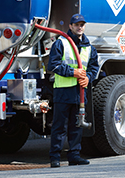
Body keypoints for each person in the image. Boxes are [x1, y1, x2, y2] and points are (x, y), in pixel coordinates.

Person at [47, 14, 99, 168]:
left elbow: (94, 67)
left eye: (82, 24)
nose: (80, 27)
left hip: (80, 93)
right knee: (59, 127)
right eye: (76, 24)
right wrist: (73, 73)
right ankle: (55, 157)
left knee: (77, 126)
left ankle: (74, 156)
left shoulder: (89, 47)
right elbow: (53, 65)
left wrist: (88, 78)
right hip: (63, 91)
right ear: (70, 26)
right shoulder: (61, 43)